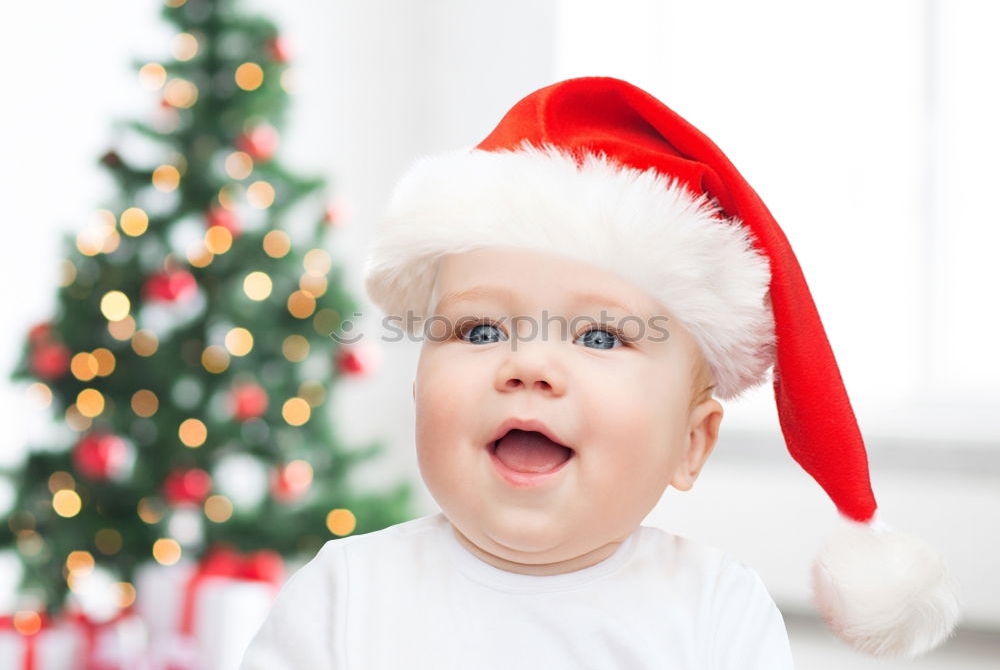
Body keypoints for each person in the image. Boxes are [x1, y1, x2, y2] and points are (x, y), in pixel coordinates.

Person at [239, 76, 959, 669]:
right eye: (481, 329)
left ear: (692, 443)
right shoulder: (345, 594)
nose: (528, 365)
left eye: (601, 336)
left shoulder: (713, 609)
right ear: (418, 388)